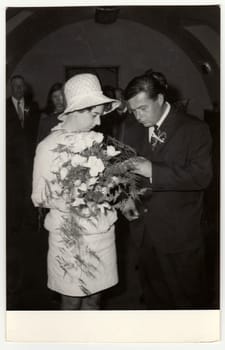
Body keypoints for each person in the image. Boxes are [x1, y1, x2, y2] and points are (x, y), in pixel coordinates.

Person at [122, 69, 213, 309]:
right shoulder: (131, 129)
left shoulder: (194, 129)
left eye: (143, 108)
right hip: (144, 236)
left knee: (187, 304)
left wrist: (154, 171)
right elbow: (127, 173)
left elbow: (202, 177)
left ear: (160, 99)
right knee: (155, 303)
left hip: (180, 236)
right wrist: (127, 198)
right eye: (133, 110)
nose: (138, 116)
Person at [31, 73, 121, 310]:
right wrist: (73, 195)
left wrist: (108, 188)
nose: (99, 122)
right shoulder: (48, 146)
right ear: (77, 110)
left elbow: (108, 185)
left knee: (95, 299)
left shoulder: (97, 141)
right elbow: (39, 196)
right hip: (69, 238)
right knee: (71, 300)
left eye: (100, 115)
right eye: (94, 115)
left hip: (101, 234)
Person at [6, 75, 40, 308]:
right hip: (9, 171)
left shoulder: (33, 109)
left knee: (27, 215)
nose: (19, 89)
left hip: (29, 167)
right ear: (10, 88)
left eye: (21, 86)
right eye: (15, 86)